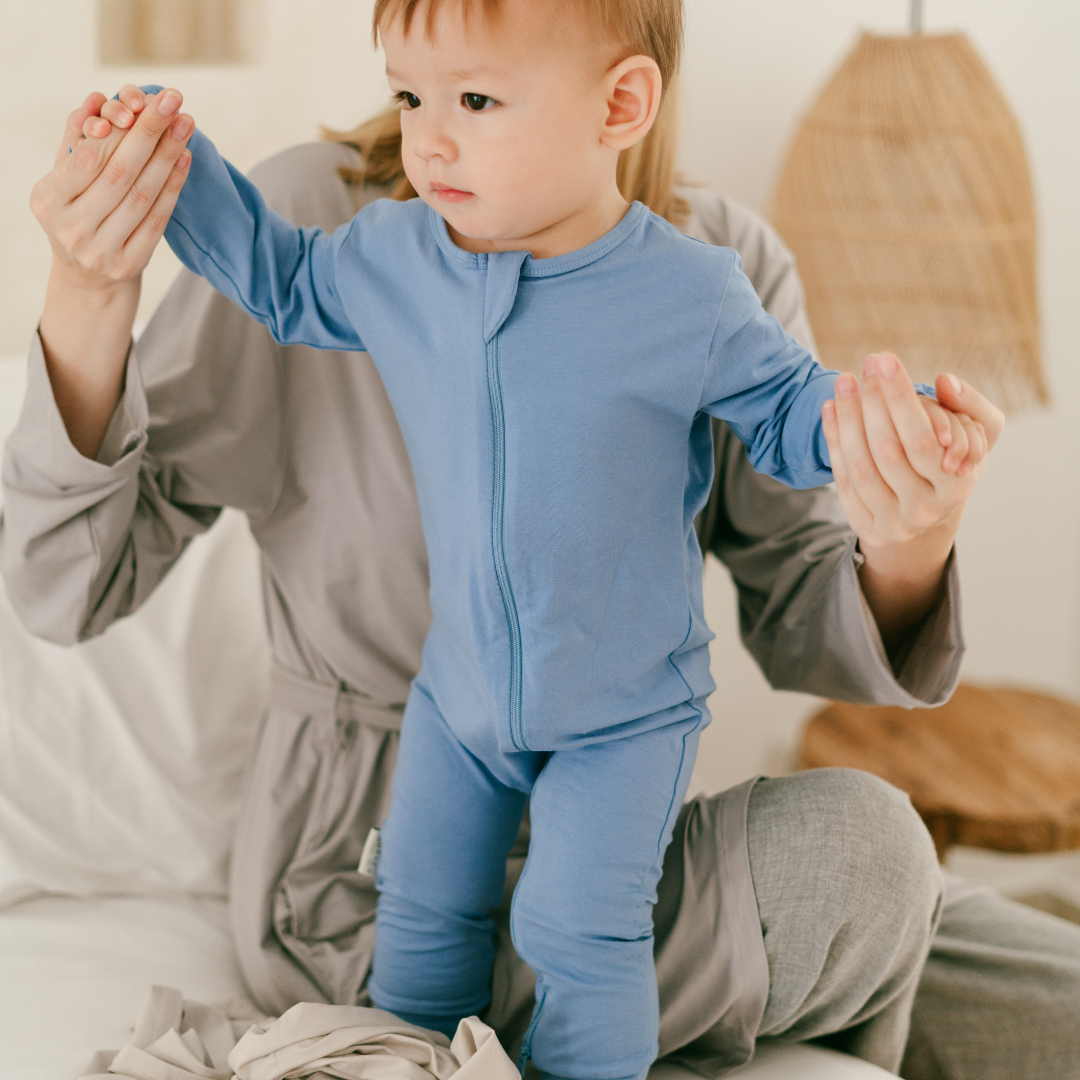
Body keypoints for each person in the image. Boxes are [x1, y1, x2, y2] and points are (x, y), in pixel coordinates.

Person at [7, 29, 1079, 1080]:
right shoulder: (344, 235)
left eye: (473, 101)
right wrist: (97, 281)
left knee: (910, 889)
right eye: (412, 93)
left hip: (614, 831)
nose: (428, 138)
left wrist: (910, 521)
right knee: (885, 890)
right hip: (368, 872)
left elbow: (810, 596)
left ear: (623, 96)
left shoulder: (713, 270)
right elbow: (61, 587)